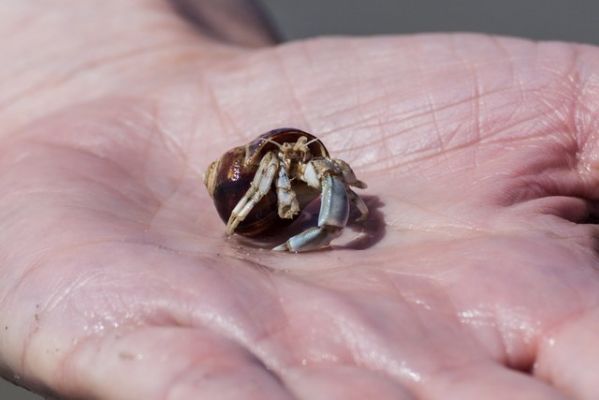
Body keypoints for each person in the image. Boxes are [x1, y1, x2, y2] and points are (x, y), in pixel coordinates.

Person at [1, 1, 598, 399]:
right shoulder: (272, 168)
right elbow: (282, 186)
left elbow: (339, 180)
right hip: (255, 186)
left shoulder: (311, 162)